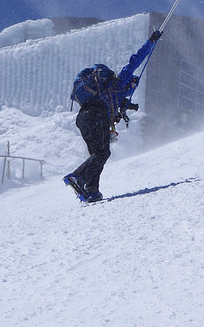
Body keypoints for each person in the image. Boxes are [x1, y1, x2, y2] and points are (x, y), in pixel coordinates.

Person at [63, 30, 162, 202]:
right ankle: (77, 177)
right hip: (96, 115)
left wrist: (124, 110)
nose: (132, 86)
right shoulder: (118, 82)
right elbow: (135, 61)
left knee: (98, 155)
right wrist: (151, 42)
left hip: (83, 118)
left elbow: (121, 105)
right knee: (102, 153)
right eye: (132, 83)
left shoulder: (113, 96)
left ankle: (92, 190)